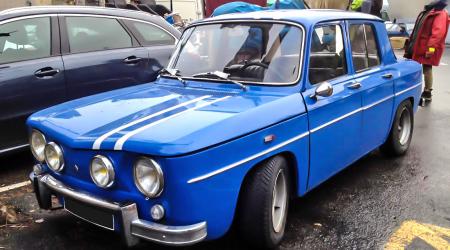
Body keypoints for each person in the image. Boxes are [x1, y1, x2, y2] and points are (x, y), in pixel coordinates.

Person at [405, 0, 450, 102]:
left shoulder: (440, 13)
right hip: (417, 45)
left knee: (427, 68)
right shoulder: (428, 10)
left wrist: (431, 48)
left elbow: (438, 33)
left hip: (426, 47)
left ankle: (427, 92)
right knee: (413, 66)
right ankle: (413, 89)